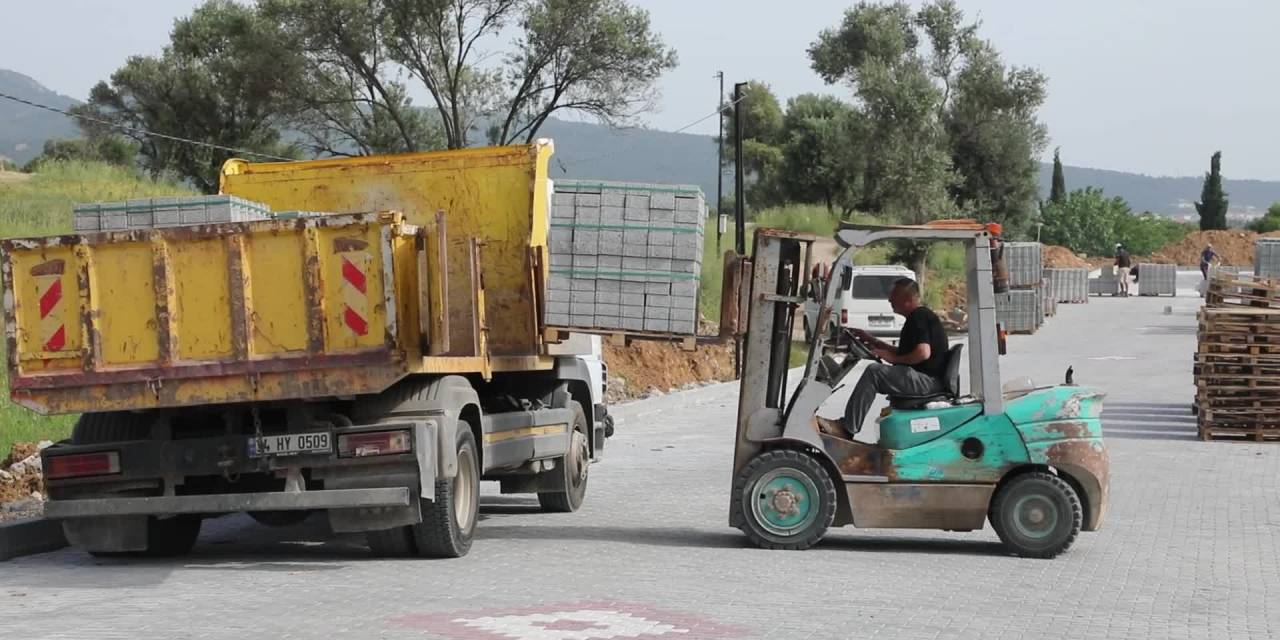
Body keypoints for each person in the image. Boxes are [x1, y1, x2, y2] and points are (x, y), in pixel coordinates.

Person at [817, 279, 949, 439]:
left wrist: (893, 358)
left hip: (927, 382)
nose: (889, 299)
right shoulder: (917, 318)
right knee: (875, 371)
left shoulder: (919, 316)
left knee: (874, 372)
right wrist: (872, 340)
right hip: (925, 379)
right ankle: (848, 426)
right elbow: (903, 353)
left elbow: (923, 353)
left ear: (907, 299)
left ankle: (847, 428)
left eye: (894, 295)